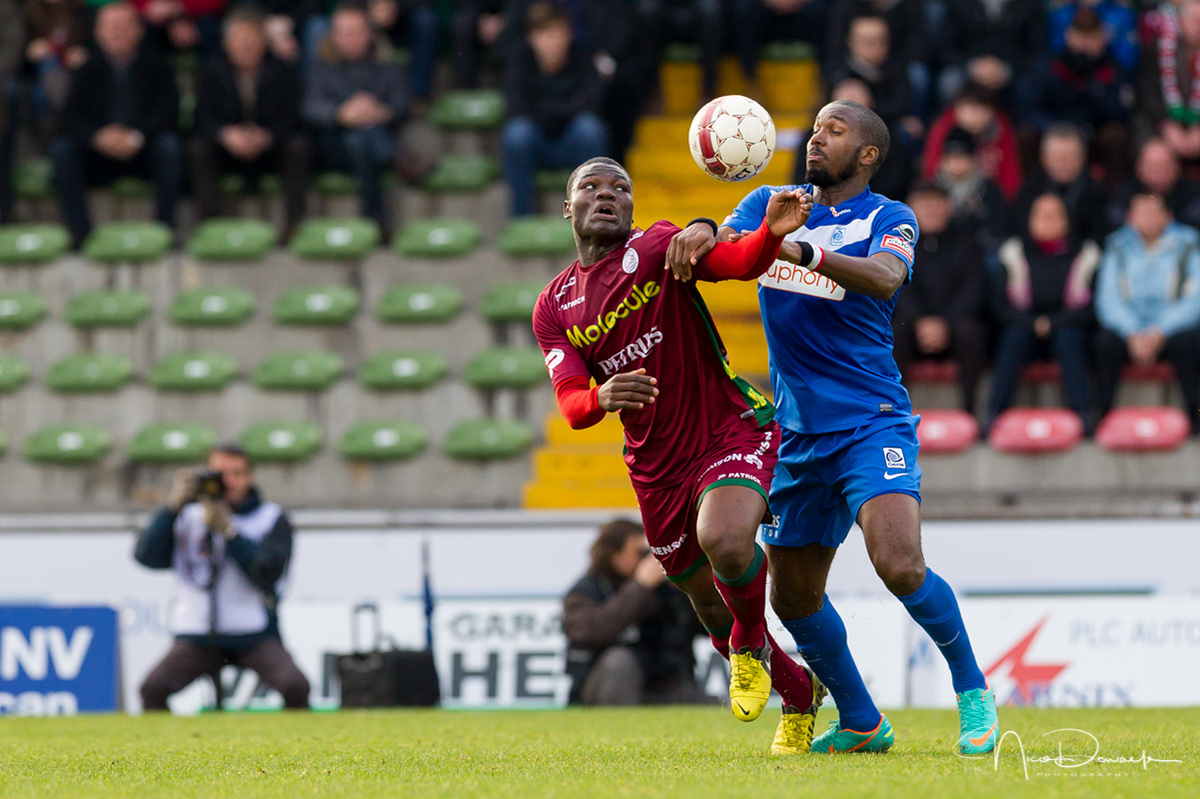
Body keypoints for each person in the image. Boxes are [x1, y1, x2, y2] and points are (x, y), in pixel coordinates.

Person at [668, 99, 1000, 755]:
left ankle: (972, 690)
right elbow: (719, 258)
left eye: (836, 130)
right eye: (816, 128)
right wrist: (703, 226)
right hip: (794, 434)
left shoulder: (889, 216)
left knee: (900, 564)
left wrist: (796, 248)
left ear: (868, 154)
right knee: (793, 597)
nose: (818, 138)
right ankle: (861, 720)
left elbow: (882, 278)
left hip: (868, 421)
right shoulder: (770, 200)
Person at [532, 155, 822, 753]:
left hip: (728, 428)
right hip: (656, 467)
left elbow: (740, 262)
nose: (607, 194)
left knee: (727, 540)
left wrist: (769, 232)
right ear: (569, 208)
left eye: (620, 186)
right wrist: (602, 393)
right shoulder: (553, 307)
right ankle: (797, 692)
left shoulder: (662, 246)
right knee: (709, 608)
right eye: (590, 186)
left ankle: (748, 647)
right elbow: (573, 406)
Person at [135, 443, 310, 711]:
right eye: (220, 474)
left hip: (253, 630)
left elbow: (268, 573)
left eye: (237, 474)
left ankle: (297, 747)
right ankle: (165, 750)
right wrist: (170, 511)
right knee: (153, 689)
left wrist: (229, 532)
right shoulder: (186, 516)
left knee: (295, 686)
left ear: (249, 477)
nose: (228, 482)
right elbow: (147, 557)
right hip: (197, 632)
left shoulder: (269, 517)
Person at [49, 1, 182, 247]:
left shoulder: (159, 68)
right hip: (98, 155)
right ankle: (82, 237)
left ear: (139, 30)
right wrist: (98, 137)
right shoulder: (85, 70)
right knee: (61, 151)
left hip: (143, 152)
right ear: (98, 32)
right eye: (110, 27)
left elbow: (168, 114)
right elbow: (69, 119)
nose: (116, 33)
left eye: (123, 26)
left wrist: (136, 137)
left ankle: (164, 232)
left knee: (170, 147)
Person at [190, 6, 308, 238]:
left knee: (299, 146)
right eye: (239, 39)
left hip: (269, 149)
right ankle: (209, 226)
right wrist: (226, 135)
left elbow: (292, 117)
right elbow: (202, 118)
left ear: (264, 42)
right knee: (197, 148)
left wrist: (267, 137)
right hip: (227, 149)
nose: (246, 45)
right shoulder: (211, 71)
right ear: (226, 43)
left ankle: (296, 225)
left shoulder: (282, 70)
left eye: (251, 38)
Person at [563, 518, 708, 706]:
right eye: (640, 552)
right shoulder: (586, 590)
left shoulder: (663, 589)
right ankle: (614, 731)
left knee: (720, 713)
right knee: (620, 661)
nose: (647, 559)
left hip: (663, 688)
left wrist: (690, 587)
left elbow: (708, 627)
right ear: (614, 554)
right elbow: (591, 631)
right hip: (604, 692)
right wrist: (640, 587)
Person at [987, 193, 1099, 432]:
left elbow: (1092, 307)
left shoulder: (1086, 253)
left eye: (1054, 215)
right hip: (1025, 325)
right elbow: (999, 306)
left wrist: (1053, 323)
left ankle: (1083, 414)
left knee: (1071, 340)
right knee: (1013, 339)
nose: (1047, 220)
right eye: (1041, 215)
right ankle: (995, 413)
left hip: (1067, 325)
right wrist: (1034, 323)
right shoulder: (1012, 253)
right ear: (1029, 220)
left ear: (1067, 220)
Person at [1095, 191, 1200, 433]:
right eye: (1141, 212)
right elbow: (1107, 300)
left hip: (1172, 329)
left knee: (1188, 344)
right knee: (1104, 344)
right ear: (1129, 218)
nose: (1148, 217)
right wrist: (1132, 332)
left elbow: (1194, 300)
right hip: (1129, 330)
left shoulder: (1189, 245)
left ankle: (1195, 419)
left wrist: (1159, 331)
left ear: (1168, 216)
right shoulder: (1116, 247)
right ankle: (1104, 417)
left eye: (1154, 211)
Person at [302, 2, 410, 236]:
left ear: (370, 33)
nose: (349, 38)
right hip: (331, 147)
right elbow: (309, 108)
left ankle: (374, 221)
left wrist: (380, 112)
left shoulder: (387, 66)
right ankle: (395, 158)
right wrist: (341, 114)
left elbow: (402, 105)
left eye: (356, 32)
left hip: (366, 143)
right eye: (343, 33)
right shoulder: (321, 68)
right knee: (359, 138)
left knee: (361, 139)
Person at [501, 0, 607, 217]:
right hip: (536, 143)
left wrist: (544, 109)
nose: (552, 42)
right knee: (516, 134)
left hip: (572, 141)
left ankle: (590, 218)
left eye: (557, 33)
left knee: (590, 129)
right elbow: (516, 109)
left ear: (568, 34)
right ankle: (523, 220)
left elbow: (593, 106)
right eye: (545, 34)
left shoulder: (582, 60)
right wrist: (569, 105)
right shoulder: (519, 63)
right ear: (532, 38)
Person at [892, 183, 989, 416]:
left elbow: (974, 290)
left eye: (937, 205)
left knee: (971, 332)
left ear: (949, 208)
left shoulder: (968, 243)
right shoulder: (896, 245)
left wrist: (945, 323)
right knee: (894, 333)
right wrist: (919, 321)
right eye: (924, 205)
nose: (931, 211)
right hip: (914, 327)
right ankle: (894, 415)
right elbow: (896, 289)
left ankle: (970, 414)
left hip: (955, 326)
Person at [1018, 6, 1132, 185]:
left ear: (1103, 37)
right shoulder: (1049, 67)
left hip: (1091, 133)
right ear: (1068, 36)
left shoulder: (1112, 70)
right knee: (1026, 134)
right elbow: (1027, 107)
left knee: (1116, 136)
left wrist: (1095, 86)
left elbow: (1121, 112)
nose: (1085, 43)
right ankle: (1031, 192)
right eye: (1080, 36)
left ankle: (1113, 197)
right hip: (1053, 131)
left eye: (1091, 36)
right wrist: (1054, 128)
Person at [922, 83, 1022, 201]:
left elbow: (1011, 175)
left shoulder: (1001, 130)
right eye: (971, 108)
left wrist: (1006, 203)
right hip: (946, 199)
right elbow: (930, 172)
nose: (976, 116)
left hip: (988, 201)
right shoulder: (943, 130)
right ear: (957, 109)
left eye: (983, 109)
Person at [1014, 123, 1110, 245]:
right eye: (1057, 157)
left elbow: (1100, 237)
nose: (1063, 163)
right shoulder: (1029, 189)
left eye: (1070, 156)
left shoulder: (1098, 192)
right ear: (1044, 158)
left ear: (1083, 157)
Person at [931, 126, 1008, 252]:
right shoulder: (933, 190)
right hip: (942, 251)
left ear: (973, 159)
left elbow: (998, 228)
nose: (957, 162)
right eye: (952, 157)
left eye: (962, 156)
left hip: (980, 251)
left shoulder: (988, 189)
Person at [1106, 137, 1200, 232]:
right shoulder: (1126, 190)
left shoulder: (1192, 192)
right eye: (1152, 167)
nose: (1159, 173)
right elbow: (1113, 217)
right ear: (1139, 168)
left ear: (1177, 167)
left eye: (1165, 167)